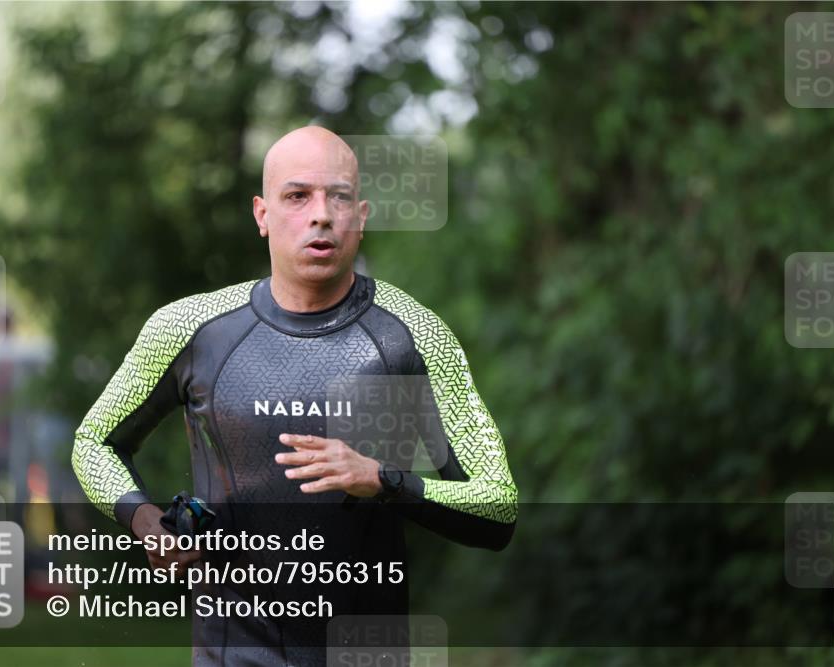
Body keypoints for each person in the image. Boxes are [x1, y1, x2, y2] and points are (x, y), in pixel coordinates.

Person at [72, 126, 518, 665]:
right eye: (298, 196)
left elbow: (498, 505)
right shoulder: (190, 328)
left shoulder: (413, 335)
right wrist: (146, 522)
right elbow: (93, 443)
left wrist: (384, 481)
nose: (321, 215)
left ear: (362, 216)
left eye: (340, 197)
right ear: (262, 214)